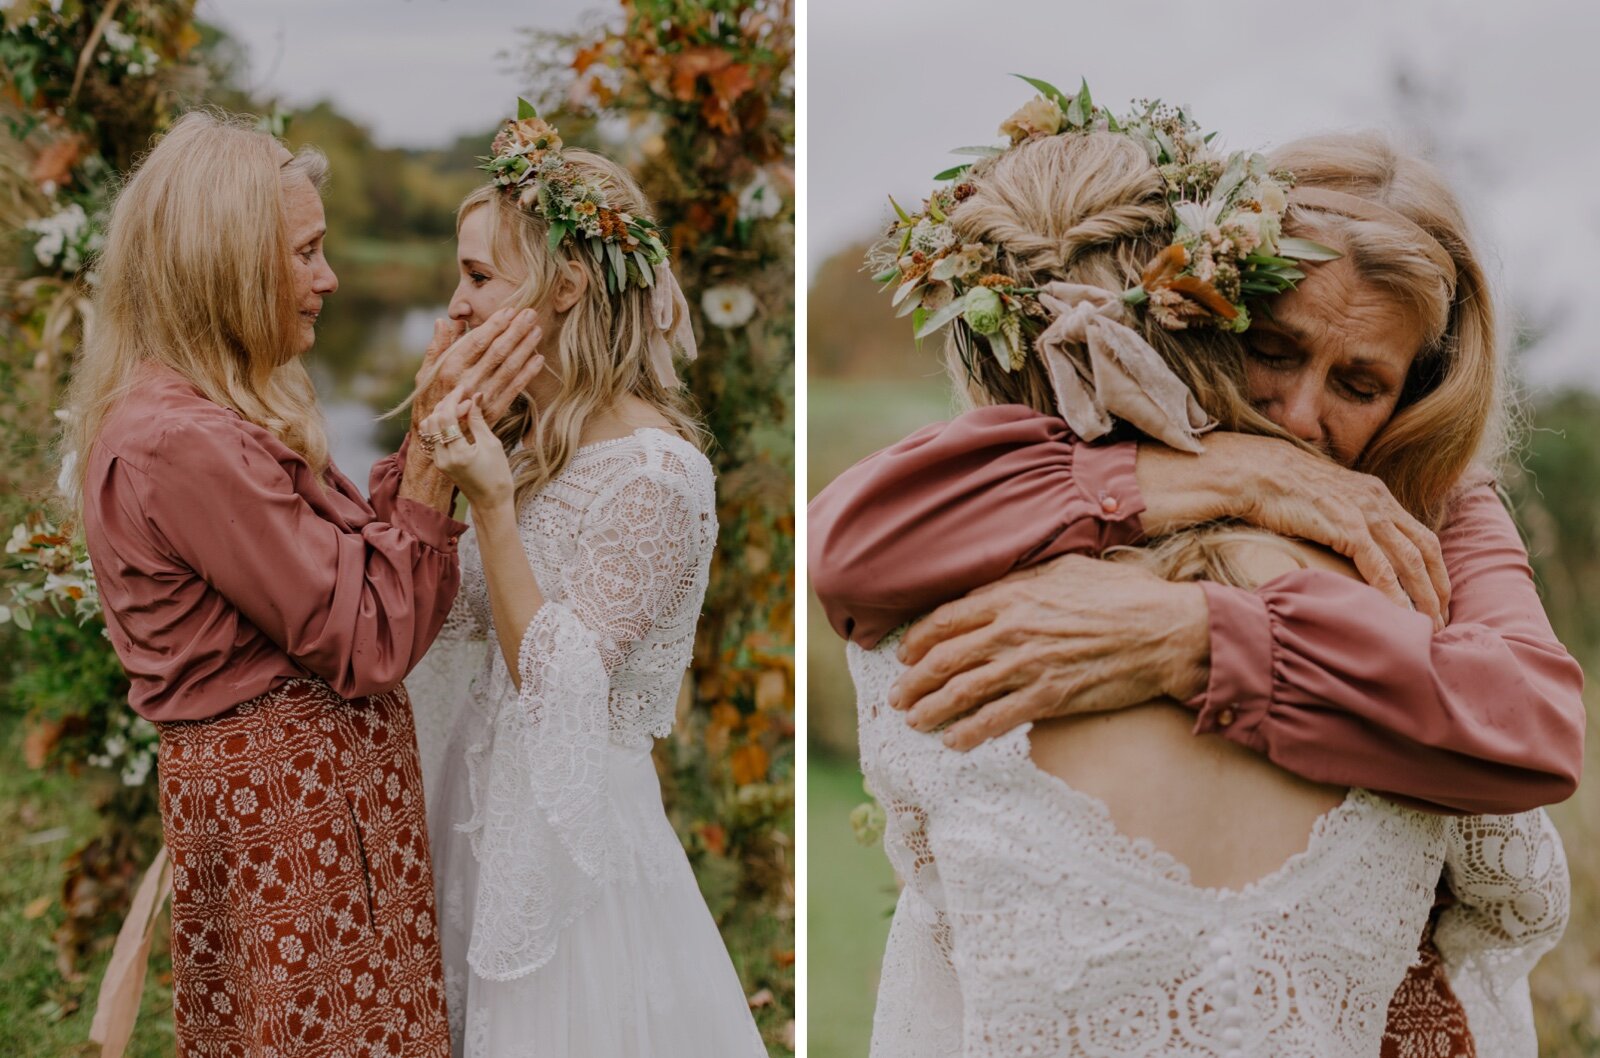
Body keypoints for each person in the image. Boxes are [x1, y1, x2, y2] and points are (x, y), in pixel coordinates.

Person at [814, 89, 1573, 1056]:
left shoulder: (1440, 509)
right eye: (1274, 350)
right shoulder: (1098, 442)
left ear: (1415, 397)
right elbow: (850, 548)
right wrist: (1211, 471)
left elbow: (1533, 722)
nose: (1298, 415)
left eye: (1358, 384)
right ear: (1206, 313)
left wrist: (1199, 640)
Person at [71, 110, 545, 1057]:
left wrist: (424, 433)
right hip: (289, 832)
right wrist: (435, 470)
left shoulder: (208, 412)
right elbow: (369, 634)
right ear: (226, 264)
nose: (329, 277)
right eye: (307, 252)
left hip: (312, 818)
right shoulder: (183, 443)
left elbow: (349, 561)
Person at [403, 107, 767, 1057]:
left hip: (569, 850)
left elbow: (560, 684)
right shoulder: (529, 443)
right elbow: (452, 623)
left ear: (566, 285)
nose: (458, 303)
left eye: (480, 276)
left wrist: (488, 509)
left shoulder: (656, 474)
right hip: (477, 808)